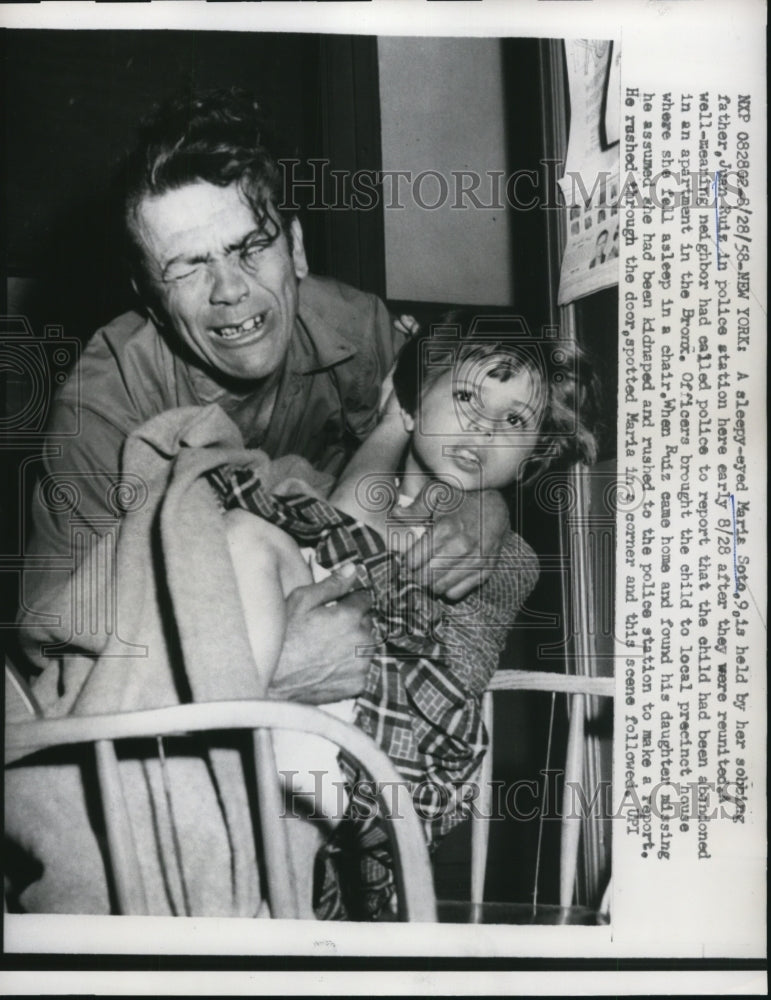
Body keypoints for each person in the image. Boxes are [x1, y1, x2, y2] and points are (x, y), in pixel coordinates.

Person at [16, 88, 512, 711]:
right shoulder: (103, 405)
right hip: (176, 706)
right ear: (151, 298)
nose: (230, 290)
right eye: (188, 267)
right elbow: (59, 674)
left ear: (296, 249)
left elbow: (481, 430)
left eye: (251, 247)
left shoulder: (358, 332)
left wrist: (487, 504)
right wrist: (261, 676)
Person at [216, 311, 599, 917]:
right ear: (419, 401)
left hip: (403, 746)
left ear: (531, 454)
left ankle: (270, 889)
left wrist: (397, 420)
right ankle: (229, 738)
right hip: (311, 710)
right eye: (468, 395)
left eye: (516, 420)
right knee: (245, 533)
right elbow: (337, 529)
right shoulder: (332, 484)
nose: (486, 426)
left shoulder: (511, 556)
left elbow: (354, 532)